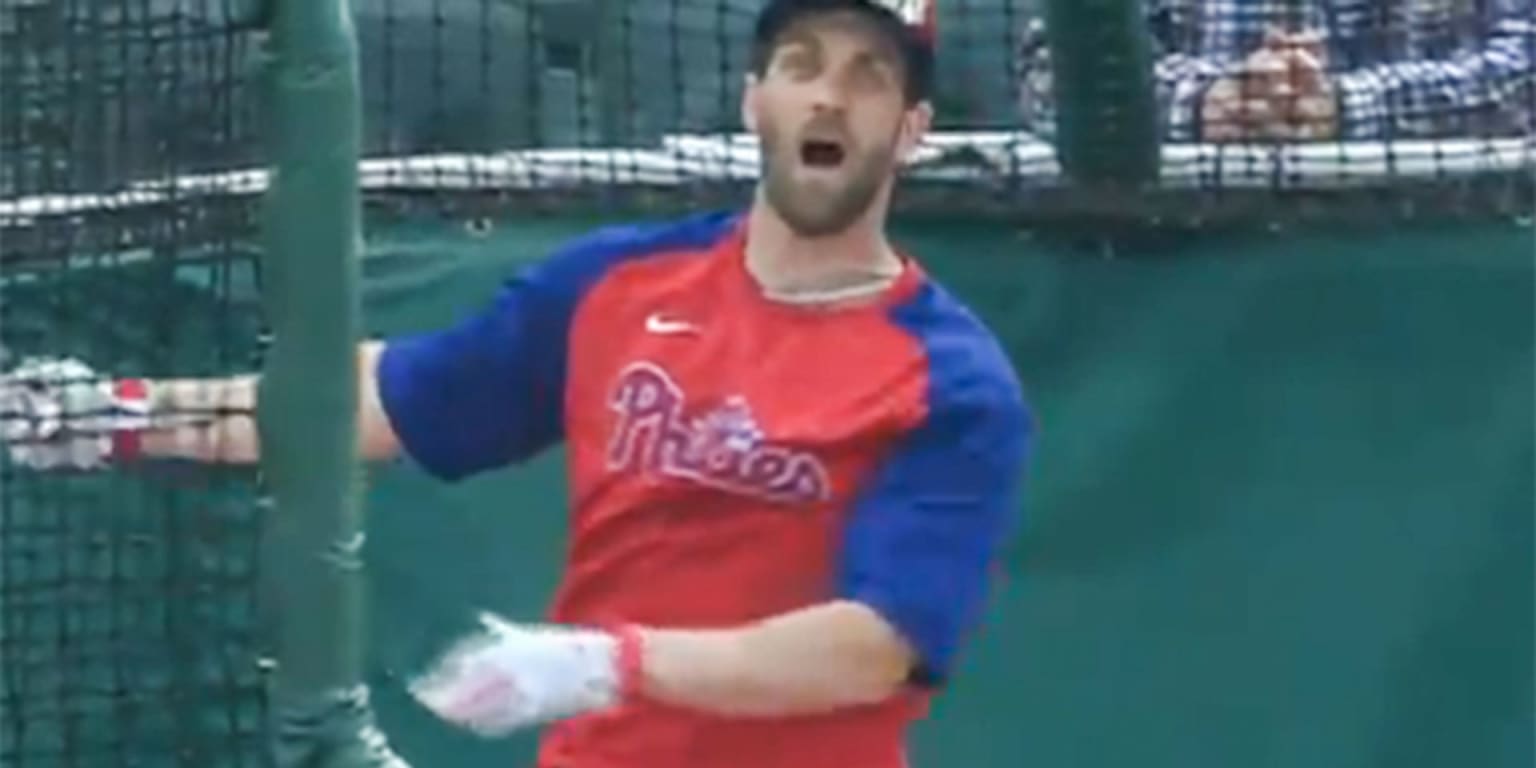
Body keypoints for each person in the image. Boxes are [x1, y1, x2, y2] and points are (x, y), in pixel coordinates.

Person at [0, 2, 1031, 768]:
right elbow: (373, 403)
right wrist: (124, 415)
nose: (830, 95)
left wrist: (604, 665)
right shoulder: (619, 285)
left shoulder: (951, 378)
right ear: (753, 98)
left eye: (868, 77)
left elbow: (871, 648)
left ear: (911, 128)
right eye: (802, 65)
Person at [1016, 0, 1535, 142]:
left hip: (1442, 244)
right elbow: (1051, 77)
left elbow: (1525, 74)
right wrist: (1211, 103)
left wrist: (1346, 108)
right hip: (1189, 258)